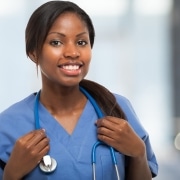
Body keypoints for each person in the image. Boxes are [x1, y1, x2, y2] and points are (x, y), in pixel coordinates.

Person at [0, 1, 158, 179]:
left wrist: (139, 153)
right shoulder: (7, 125)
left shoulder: (116, 108)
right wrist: (11, 174)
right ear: (34, 53)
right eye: (57, 42)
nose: (72, 52)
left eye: (81, 42)